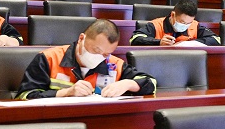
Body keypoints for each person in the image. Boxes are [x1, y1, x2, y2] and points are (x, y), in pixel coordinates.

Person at [14, 19, 155, 99]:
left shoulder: (114, 64)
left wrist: (128, 84)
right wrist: (66, 93)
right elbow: (24, 96)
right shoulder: (48, 58)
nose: (100, 57)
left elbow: (151, 83)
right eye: (96, 50)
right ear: (81, 38)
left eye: (106, 54)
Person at [129, 0, 220, 46]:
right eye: (182, 22)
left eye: (188, 23)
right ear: (173, 15)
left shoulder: (195, 25)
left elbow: (216, 39)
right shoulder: (156, 25)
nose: (185, 25)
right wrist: (158, 42)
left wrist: (190, 43)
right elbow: (134, 39)